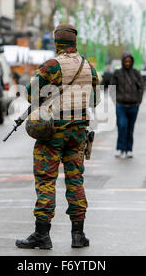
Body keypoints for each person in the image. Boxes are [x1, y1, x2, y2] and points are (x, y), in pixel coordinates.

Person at [15, 24, 99, 250]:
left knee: (46, 180)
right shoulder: (88, 66)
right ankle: (78, 235)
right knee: (75, 180)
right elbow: (95, 100)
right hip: (78, 131)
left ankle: (42, 234)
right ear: (75, 43)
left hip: (53, 132)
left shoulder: (52, 65)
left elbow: (31, 94)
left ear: (57, 43)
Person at [110, 53, 145, 159]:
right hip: (121, 105)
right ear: (122, 61)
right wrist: (115, 101)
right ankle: (120, 149)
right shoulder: (117, 73)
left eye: (129, 61)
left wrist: (139, 100)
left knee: (130, 128)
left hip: (134, 106)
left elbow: (141, 87)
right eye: (125, 61)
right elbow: (112, 87)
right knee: (122, 126)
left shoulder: (136, 73)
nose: (127, 63)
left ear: (132, 62)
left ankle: (129, 149)